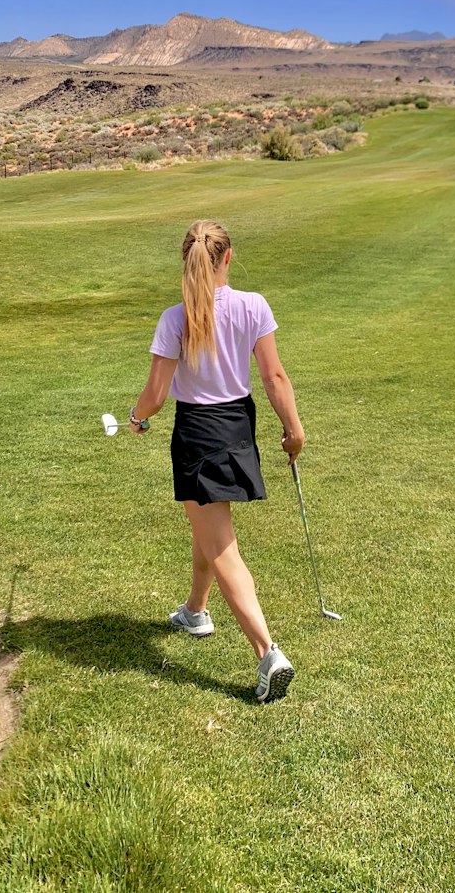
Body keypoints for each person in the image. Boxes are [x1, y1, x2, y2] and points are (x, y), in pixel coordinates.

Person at [128, 219, 305, 703]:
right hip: (237, 428)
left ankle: (268, 653)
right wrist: (293, 430)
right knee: (208, 529)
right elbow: (275, 378)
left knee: (221, 544)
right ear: (228, 257)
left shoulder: (174, 317)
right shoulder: (255, 305)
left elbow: (156, 396)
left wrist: (135, 417)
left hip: (197, 434)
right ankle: (195, 610)